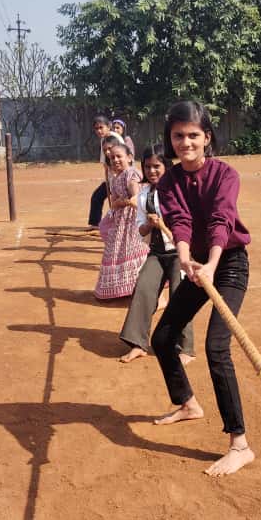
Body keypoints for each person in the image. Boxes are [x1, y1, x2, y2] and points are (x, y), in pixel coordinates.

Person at [151, 100, 254, 477]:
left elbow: (220, 220)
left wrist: (211, 264)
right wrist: (185, 260)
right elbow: (179, 221)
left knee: (216, 347)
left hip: (228, 263)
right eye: (178, 136)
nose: (186, 143)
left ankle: (240, 445)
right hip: (196, 265)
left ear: (207, 137)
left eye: (193, 135)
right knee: (164, 337)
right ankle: (188, 403)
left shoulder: (226, 174)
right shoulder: (168, 182)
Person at [119, 144, 195, 364]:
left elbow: (188, 221)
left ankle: (185, 347)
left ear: (167, 166)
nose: (151, 171)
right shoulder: (144, 195)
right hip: (157, 252)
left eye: (156, 166)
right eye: (147, 167)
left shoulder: (179, 189)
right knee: (143, 287)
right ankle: (138, 343)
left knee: (180, 295)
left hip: (179, 251)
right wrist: (150, 225)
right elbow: (140, 230)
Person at [94, 143, 148, 300]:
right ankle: (124, 288)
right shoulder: (116, 177)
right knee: (117, 251)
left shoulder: (131, 174)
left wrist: (125, 201)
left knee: (133, 251)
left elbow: (135, 197)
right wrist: (118, 203)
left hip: (132, 221)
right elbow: (115, 202)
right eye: (112, 158)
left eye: (119, 156)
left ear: (129, 158)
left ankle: (142, 290)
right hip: (120, 222)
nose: (115, 160)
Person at [87, 115, 124, 229]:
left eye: (101, 127)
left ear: (108, 126)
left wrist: (116, 179)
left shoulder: (114, 139)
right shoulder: (104, 139)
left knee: (122, 202)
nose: (99, 131)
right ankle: (95, 223)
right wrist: (108, 180)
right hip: (112, 176)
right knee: (98, 197)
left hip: (121, 177)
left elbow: (122, 159)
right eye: (96, 128)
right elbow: (105, 164)